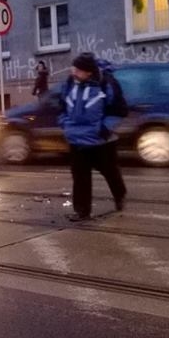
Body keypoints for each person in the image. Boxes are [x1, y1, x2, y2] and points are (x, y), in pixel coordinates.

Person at [58, 52, 126, 222]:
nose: (74, 72)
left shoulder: (106, 84)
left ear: (89, 72)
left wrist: (104, 128)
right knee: (80, 177)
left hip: (101, 142)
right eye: (74, 68)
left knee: (110, 172)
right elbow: (62, 107)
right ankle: (82, 211)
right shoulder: (69, 84)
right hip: (76, 140)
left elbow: (119, 110)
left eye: (78, 70)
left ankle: (120, 194)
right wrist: (65, 125)